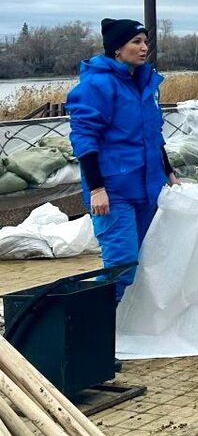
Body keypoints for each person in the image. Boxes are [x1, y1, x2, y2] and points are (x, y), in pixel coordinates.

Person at [67, 18, 179, 301]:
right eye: (136, 42)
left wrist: (170, 173)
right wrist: (96, 188)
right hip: (113, 191)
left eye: (145, 42)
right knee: (122, 266)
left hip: (148, 186)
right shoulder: (97, 85)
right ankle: (91, 328)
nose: (144, 48)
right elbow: (84, 138)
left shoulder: (142, 83)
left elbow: (153, 135)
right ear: (117, 49)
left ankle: (127, 328)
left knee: (145, 259)